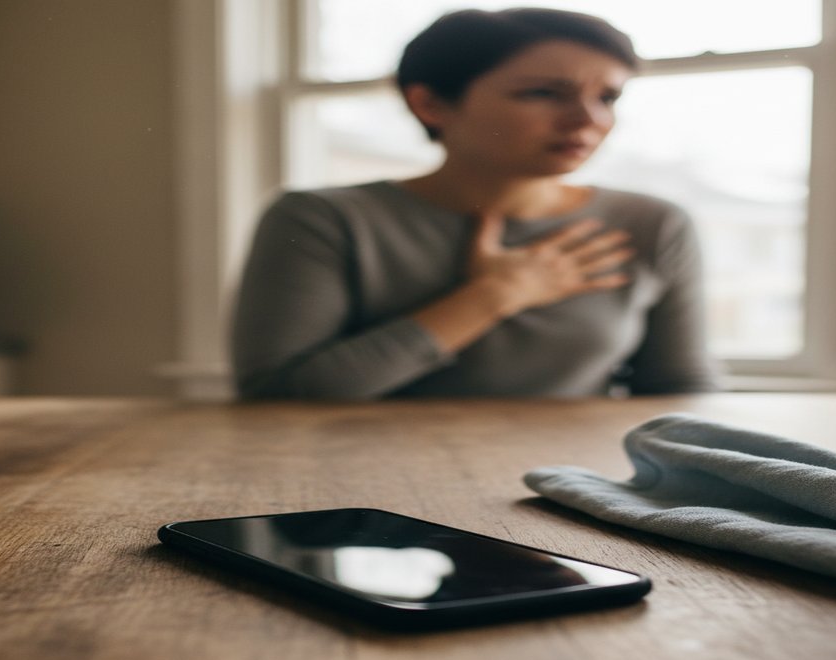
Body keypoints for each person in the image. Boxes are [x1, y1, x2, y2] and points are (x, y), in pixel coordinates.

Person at [231, 7, 718, 400]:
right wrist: (494, 296)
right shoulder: (321, 219)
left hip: (574, 493)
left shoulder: (653, 224)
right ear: (430, 104)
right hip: (361, 495)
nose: (587, 119)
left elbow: (679, 393)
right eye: (545, 93)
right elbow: (277, 393)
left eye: (608, 97)